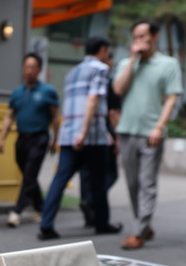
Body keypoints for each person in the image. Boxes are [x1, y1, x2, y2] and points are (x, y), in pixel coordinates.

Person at [37, 36, 123, 240]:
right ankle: (101, 223)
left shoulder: (72, 73)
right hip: (91, 136)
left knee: (59, 180)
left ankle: (46, 225)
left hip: (69, 135)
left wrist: (73, 133)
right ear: (102, 50)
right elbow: (93, 99)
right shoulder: (101, 69)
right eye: (107, 51)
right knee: (99, 182)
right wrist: (83, 133)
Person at [113, 20, 183, 250]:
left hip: (151, 133)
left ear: (155, 36)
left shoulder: (169, 64)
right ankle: (144, 224)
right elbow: (118, 89)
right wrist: (133, 59)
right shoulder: (127, 63)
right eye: (135, 37)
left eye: (143, 36)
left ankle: (139, 231)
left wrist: (159, 126)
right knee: (133, 183)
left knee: (147, 183)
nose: (139, 41)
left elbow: (171, 98)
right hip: (127, 130)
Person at [0, 53, 60, 228]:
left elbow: (56, 117)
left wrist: (55, 140)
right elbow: (9, 117)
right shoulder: (17, 92)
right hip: (21, 139)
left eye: (33, 67)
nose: (29, 70)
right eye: (26, 67)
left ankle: (17, 211)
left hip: (39, 138)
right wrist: (2, 139)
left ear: (39, 70)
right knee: (28, 175)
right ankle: (42, 208)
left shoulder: (47, 91)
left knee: (30, 173)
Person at [79, 49, 122, 227]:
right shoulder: (109, 83)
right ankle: (91, 201)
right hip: (102, 134)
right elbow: (112, 113)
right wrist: (115, 136)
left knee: (87, 173)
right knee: (109, 173)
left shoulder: (83, 80)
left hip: (83, 133)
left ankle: (91, 210)